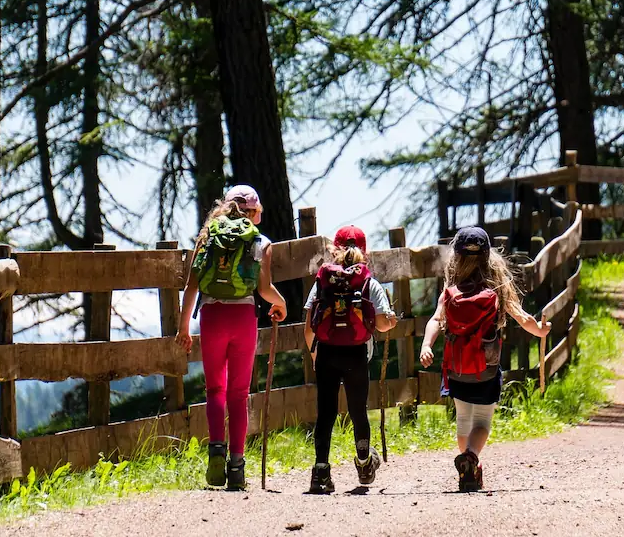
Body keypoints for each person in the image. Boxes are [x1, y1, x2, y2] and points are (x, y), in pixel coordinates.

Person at [419, 226, 550, 492]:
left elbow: (436, 319)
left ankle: (469, 467)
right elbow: (520, 315)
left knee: (463, 420)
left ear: (455, 256)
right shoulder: (496, 285)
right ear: (488, 255)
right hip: (486, 368)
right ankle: (471, 458)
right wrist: (539, 330)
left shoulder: (451, 287)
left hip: (457, 369)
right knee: (482, 422)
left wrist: (426, 345)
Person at [175, 185, 287, 491]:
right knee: (239, 394)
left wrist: (183, 328)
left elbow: (191, 287)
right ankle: (236, 466)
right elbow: (264, 289)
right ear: (253, 212)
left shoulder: (208, 236)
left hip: (212, 316)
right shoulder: (260, 242)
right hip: (243, 318)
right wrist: (281, 304)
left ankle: (215, 451)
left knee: (215, 390)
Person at [303, 225, 398, 494]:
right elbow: (381, 323)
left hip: (327, 352)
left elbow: (309, 326)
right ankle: (365, 464)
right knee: (358, 411)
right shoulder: (369, 282)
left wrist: (314, 353)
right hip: (356, 354)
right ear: (364, 251)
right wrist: (391, 321)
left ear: (334, 249)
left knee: (326, 413)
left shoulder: (322, 282)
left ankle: (321, 472)